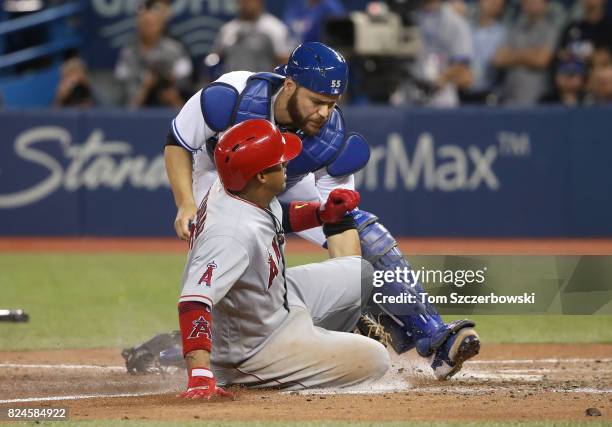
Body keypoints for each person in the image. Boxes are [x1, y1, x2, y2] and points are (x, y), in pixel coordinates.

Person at [124, 42, 480, 382]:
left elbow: (336, 222)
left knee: (366, 231)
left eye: (332, 103)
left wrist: (351, 298)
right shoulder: (231, 95)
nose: (324, 112)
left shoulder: (331, 140)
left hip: (281, 178)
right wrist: (185, 202)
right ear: (290, 85)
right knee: (247, 283)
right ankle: (173, 352)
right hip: (217, 178)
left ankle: (435, 338)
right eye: (316, 101)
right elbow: (178, 143)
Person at [178, 118, 389, 396]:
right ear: (262, 176)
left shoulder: (240, 187)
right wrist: (201, 374)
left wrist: (321, 214)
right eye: (280, 161)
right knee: (375, 358)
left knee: (358, 273)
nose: (287, 163)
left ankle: (313, 347)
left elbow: (276, 217)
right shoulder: (229, 233)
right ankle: (285, 365)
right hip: (252, 348)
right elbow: (193, 301)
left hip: (275, 300)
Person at [391, 0, 475, 107]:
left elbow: (462, 62)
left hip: (441, 98)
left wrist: (441, 79)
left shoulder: (454, 21)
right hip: (406, 95)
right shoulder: (404, 17)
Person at [114, 0, 192, 107]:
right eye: (145, 23)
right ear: (138, 24)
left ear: (161, 25)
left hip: (170, 108)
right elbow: (125, 97)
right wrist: (146, 86)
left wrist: (170, 88)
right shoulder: (129, 52)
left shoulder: (174, 49)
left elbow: (185, 81)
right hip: (137, 110)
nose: (148, 28)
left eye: (152, 24)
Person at [492, 0, 560, 105]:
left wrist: (513, 56)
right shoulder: (514, 29)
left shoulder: (551, 30)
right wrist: (529, 55)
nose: (531, 3)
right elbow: (498, 59)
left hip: (538, 97)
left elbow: (541, 60)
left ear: (545, 4)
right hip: (509, 96)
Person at [208, 0, 293, 76]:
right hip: (232, 86)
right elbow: (214, 58)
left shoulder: (275, 28)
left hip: (264, 87)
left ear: (260, 2)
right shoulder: (228, 29)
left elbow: (285, 62)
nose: (246, 3)